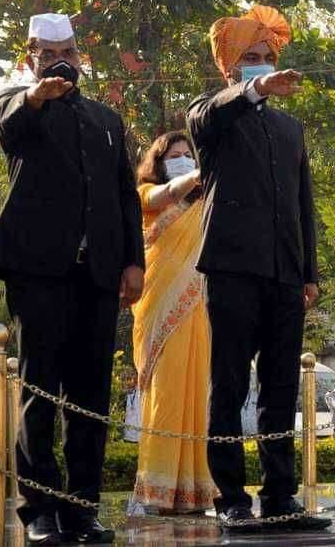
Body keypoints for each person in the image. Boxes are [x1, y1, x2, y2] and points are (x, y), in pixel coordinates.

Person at [0, 12, 145, 545]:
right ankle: (40, 510)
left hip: (97, 274)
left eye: (68, 52)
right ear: (30, 55)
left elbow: (125, 195)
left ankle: (82, 510)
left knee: (90, 396)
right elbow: (9, 126)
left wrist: (134, 261)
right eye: (48, 53)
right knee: (39, 392)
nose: (60, 62)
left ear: (80, 55)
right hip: (40, 273)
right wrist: (36, 95)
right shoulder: (17, 104)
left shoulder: (105, 118)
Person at [187, 5, 329, 532]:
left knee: (280, 388)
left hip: (284, 273)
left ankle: (279, 495)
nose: (264, 63)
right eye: (252, 56)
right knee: (228, 384)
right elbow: (207, 115)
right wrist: (254, 89)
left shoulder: (290, 128)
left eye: (269, 55)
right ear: (230, 65)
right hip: (231, 269)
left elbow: (302, 203)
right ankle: (230, 497)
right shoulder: (212, 115)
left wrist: (308, 272)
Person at [128, 131, 216, 514]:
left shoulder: (204, 204)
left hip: (196, 307)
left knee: (195, 391)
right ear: (159, 164)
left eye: (187, 154)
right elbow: (164, 195)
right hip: (158, 308)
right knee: (165, 393)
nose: (182, 159)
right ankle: (156, 490)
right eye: (173, 156)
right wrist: (195, 176)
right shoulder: (145, 195)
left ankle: (192, 491)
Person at [122, 369, 141, 444]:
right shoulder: (129, 389)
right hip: (130, 416)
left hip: (138, 416)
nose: (134, 378)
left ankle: (137, 439)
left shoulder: (140, 389)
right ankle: (128, 438)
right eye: (132, 375)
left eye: (135, 375)